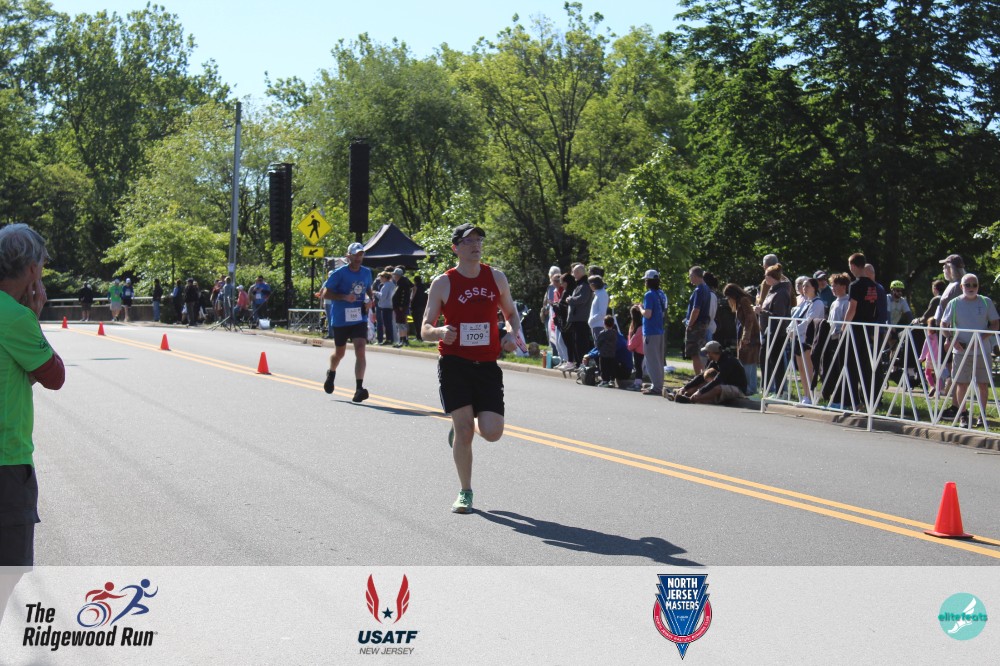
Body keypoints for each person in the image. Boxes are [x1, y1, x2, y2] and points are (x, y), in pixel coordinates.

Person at [421, 223, 526, 514]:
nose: (476, 245)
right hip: (454, 363)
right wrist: (440, 332)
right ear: (455, 248)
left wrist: (511, 334)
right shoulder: (443, 283)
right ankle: (465, 491)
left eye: (478, 240)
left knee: (492, 432)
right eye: (468, 241)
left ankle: (459, 428)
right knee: (465, 429)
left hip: (487, 364)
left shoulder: (496, 277)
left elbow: (511, 314)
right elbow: (425, 328)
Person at [0, 224, 66, 570]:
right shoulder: (15, 318)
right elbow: (54, 376)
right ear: (31, 270)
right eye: (41, 265)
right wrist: (34, 318)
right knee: (9, 572)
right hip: (7, 464)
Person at [941, 273, 1000, 429]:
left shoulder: (986, 302)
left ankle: (982, 415)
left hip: (983, 350)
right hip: (961, 351)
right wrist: (951, 339)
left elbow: (995, 323)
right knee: (961, 384)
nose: (971, 288)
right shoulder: (954, 303)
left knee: (983, 384)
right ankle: (963, 415)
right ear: (961, 287)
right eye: (967, 285)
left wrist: (982, 338)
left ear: (978, 286)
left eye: (974, 285)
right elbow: (943, 324)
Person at [319, 243, 374, 403]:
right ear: (348, 256)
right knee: (340, 353)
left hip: (359, 318)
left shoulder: (366, 272)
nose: (358, 258)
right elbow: (325, 294)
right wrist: (344, 297)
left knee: (361, 349)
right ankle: (331, 372)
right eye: (355, 255)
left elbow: (368, 289)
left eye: (361, 255)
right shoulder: (339, 273)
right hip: (341, 318)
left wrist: (370, 300)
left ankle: (359, 389)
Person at [843, 253, 879, 409]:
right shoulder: (873, 285)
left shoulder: (855, 285)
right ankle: (868, 399)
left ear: (853, 266)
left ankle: (853, 400)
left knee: (851, 364)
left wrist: (844, 326)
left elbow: (852, 308)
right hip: (868, 327)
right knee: (865, 365)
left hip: (856, 328)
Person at [667, 341, 747, 404]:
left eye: (707, 352)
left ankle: (691, 399)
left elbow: (717, 380)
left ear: (712, 352)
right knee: (703, 382)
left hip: (738, 389)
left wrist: (700, 392)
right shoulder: (715, 361)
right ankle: (681, 394)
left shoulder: (728, 362)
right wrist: (685, 387)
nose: (706, 354)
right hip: (724, 384)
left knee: (716, 388)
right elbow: (702, 376)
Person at [787, 277, 826, 404]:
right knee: (801, 369)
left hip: (808, 339)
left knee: (808, 368)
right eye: (803, 286)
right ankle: (805, 395)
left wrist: (795, 330)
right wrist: (790, 328)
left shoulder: (817, 303)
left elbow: (809, 321)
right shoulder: (805, 302)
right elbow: (796, 317)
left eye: (807, 286)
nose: (804, 288)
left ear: (814, 288)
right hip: (798, 338)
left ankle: (810, 395)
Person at [754, 264, 792, 394]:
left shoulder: (781, 293)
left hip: (776, 333)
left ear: (772, 277)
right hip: (768, 331)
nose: (764, 278)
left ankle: (780, 391)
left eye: (766, 275)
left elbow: (778, 316)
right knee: (767, 360)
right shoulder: (774, 290)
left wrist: (761, 311)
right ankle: (768, 390)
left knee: (776, 362)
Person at [723, 283, 760, 395]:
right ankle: (751, 388)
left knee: (747, 363)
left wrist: (746, 336)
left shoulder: (743, 301)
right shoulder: (741, 302)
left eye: (728, 297)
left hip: (750, 337)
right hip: (748, 336)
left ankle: (750, 389)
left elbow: (749, 318)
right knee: (748, 362)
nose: (728, 299)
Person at [640, 269, 668, 395]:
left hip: (650, 331)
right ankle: (658, 384)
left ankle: (656, 387)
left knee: (651, 360)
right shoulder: (661, 294)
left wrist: (640, 308)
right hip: (660, 330)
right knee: (659, 359)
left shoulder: (649, 295)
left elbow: (648, 314)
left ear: (648, 281)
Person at [564, 263, 594, 369]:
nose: (573, 275)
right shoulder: (580, 284)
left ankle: (583, 364)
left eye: (574, 272)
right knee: (577, 342)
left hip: (581, 318)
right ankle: (579, 363)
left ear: (578, 272)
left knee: (582, 343)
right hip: (577, 318)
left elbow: (582, 299)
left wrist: (570, 299)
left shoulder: (584, 285)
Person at [685, 266, 712, 373]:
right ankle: (702, 376)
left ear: (695, 276)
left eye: (690, 276)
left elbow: (696, 310)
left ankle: (699, 377)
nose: (689, 278)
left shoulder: (699, 290)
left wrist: (690, 324)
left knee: (694, 353)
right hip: (703, 324)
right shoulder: (706, 288)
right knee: (700, 352)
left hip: (696, 325)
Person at [391, 267, 413, 347]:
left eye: (395, 274)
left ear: (398, 275)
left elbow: (404, 295)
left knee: (401, 323)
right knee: (400, 323)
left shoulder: (402, 283)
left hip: (400, 307)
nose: (394, 276)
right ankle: (402, 339)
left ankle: (403, 340)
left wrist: (401, 305)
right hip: (398, 306)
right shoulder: (400, 282)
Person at [587, 275, 610, 345]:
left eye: (589, 284)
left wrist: (591, 320)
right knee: (597, 346)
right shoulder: (598, 293)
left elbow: (602, 312)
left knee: (600, 347)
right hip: (595, 325)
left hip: (599, 325)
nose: (589, 286)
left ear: (593, 284)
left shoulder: (602, 294)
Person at [627, 304, 645, 390]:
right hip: (641, 350)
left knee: (638, 367)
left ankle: (638, 383)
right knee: (638, 367)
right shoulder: (642, 326)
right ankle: (637, 382)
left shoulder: (639, 328)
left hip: (639, 351)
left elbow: (635, 341)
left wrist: (630, 346)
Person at [375, 271, 395, 345]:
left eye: (381, 277)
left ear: (385, 278)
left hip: (385, 306)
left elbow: (383, 297)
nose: (380, 279)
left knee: (387, 323)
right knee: (389, 323)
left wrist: (375, 293)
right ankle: (390, 338)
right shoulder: (392, 284)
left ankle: (389, 339)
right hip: (390, 305)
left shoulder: (386, 285)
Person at [411, 275, 428, 341]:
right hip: (423, 306)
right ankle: (423, 335)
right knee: (421, 321)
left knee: (417, 322)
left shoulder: (415, 287)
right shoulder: (425, 287)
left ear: (415, 281)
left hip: (416, 306)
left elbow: (412, 297)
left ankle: (418, 336)